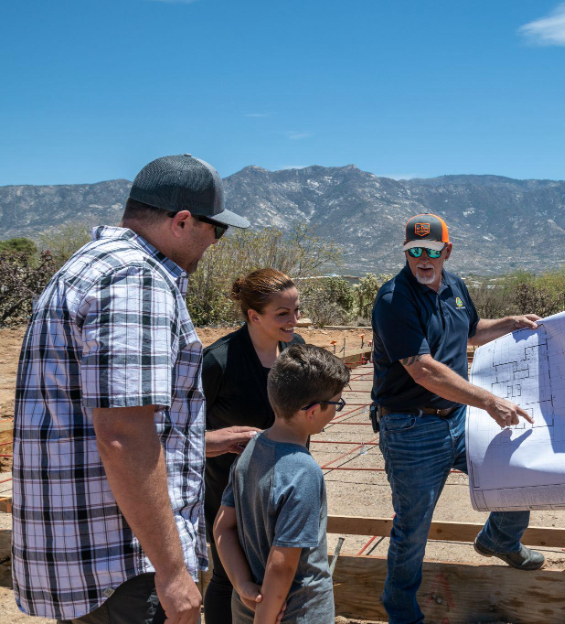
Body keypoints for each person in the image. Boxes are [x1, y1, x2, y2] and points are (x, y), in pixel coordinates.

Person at [12, 154, 254, 623]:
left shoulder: (90, 266)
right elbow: (123, 433)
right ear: (183, 221)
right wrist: (171, 571)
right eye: (216, 230)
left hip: (86, 557)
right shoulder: (137, 278)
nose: (214, 243)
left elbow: (89, 421)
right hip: (122, 563)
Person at [371, 212, 545, 624]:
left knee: (516, 473)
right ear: (406, 253)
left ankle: (500, 539)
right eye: (414, 251)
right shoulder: (394, 300)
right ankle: (401, 612)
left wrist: (508, 324)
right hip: (411, 426)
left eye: (431, 251)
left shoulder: (454, 286)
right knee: (412, 526)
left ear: (446, 251)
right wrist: (487, 401)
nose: (422, 259)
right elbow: (423, 369)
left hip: (456, 419)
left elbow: (470, 330)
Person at [213, 344, 350, 624]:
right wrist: (265, 616)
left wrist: (243, 586)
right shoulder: (304, 472)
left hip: (246, 608)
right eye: (337, 403)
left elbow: (222, 528)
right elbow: (282, 565)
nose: (337, 409)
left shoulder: (250, 450)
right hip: (299, 613)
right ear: (312, 412)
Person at [202, 268, 305, 624]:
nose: (294, 320)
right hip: (228, 491)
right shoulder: (217, 362)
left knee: (282, 573)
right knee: (227, 578)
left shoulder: (296, 351)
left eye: (295, 310)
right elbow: (174, 435)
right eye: (283, 313)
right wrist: (217, 440)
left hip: (286, 487)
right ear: (253, 316)